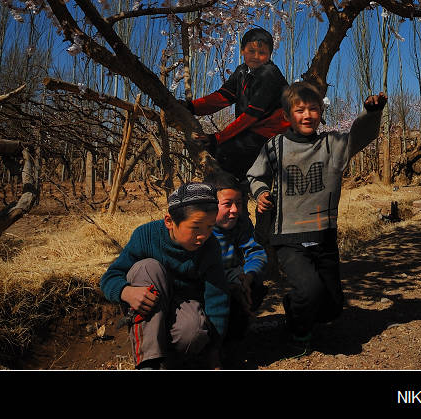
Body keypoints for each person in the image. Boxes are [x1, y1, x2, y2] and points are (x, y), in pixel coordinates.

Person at [247, 81, 387, 357]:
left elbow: (359, 136)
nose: (308, 115)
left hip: (324, 235)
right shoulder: (275, 146)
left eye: (313, 109)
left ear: (321, 113)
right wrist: (261, 192)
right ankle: (299, 333)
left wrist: (371, 113)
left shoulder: (331, 145)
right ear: (287, 116)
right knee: (309, 290)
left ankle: (294, 305)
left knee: (333, 306)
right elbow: (255, 176)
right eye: (300, 110)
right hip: (288, 235)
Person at [99, 182, 230, 369]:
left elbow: (217, 298)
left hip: (184, 307)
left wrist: (214, 351)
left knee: (193, 333)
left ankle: (170, 358)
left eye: (210, 227)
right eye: (196, 228)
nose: (203, 236)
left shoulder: (210, 247)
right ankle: (149, 362)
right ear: (169, 221)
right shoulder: (145, 235)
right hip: (151, 302)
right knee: (147, 267)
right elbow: (109, 278)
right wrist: (126, 292)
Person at [185, 27, 289, 182]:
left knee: (224, 152)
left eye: (262, 53)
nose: (256, 56)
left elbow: (250, 116)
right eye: (251, 51)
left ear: (270, 55)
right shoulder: (242, 71)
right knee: (219, 151)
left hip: (271, 133)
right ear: (242, 51)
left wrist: (217, 138)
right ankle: (237, 190)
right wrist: (192, 107)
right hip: (252, 131)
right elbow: (222, 97)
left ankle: (236, 190)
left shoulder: (269, 74)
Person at [206, 171, 269, 364]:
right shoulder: (199, 227)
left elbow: (255, 253)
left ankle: (233, 339)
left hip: (234, 280)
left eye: (239, 204)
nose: (234, 210)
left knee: (253, 289)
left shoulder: (241, 224)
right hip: (206, 288)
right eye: (227, 204)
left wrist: (248, 277)